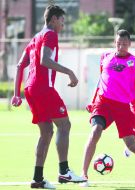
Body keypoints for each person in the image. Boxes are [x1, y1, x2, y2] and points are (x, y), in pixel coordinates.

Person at [81, 30, 135, 187]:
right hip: (104, 103)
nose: (121, 46)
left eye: (124, 44)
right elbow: (101, 80)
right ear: (115, 42)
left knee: (131, 144)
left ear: (130, 44)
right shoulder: (105, 57)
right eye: (118, 43)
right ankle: (84, 176)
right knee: (95, 132)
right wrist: (93, 101)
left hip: (123, 106)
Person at [11, 5, 84, 189]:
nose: (62, 25)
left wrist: (16, 94)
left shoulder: (35, 37)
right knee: (65, 125)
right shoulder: (50, 34)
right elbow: (44, 60)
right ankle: (64, 172)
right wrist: (69, 72)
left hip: (30, 89)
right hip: (43, 88)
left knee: (47, 132)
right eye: (61, 21)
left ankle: (37, 179)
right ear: (53, 19)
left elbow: (20, 66)